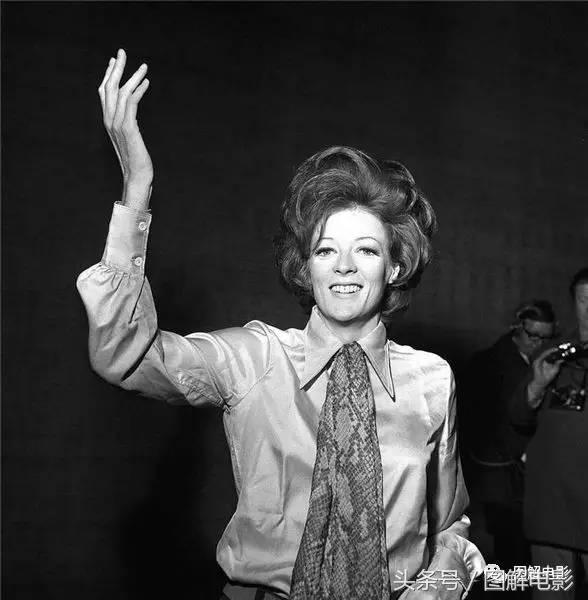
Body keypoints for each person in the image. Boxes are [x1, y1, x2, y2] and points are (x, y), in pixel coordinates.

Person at [77, 49, 485, 600]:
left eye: (366, 250)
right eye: (325, 249)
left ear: (394, 267)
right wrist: (137, 188)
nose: (344, 266)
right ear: (306, 266)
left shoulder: (432, 380)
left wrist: (435, 589)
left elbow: (451, 526)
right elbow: (125, 357)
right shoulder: (255, 357)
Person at [460, 301, 556, 577]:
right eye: (533, 335)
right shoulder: (487, 364)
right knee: (509, 549)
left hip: (533, 472)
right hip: (500, 471)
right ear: (517, 328)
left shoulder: (550, 364)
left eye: (546, 337)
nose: (539, 343)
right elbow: (475, 421)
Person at [510, 268, 588, 599]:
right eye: (584, 299)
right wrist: (537, 385)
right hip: (551, 512)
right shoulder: (553, 355)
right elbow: (517, 417)